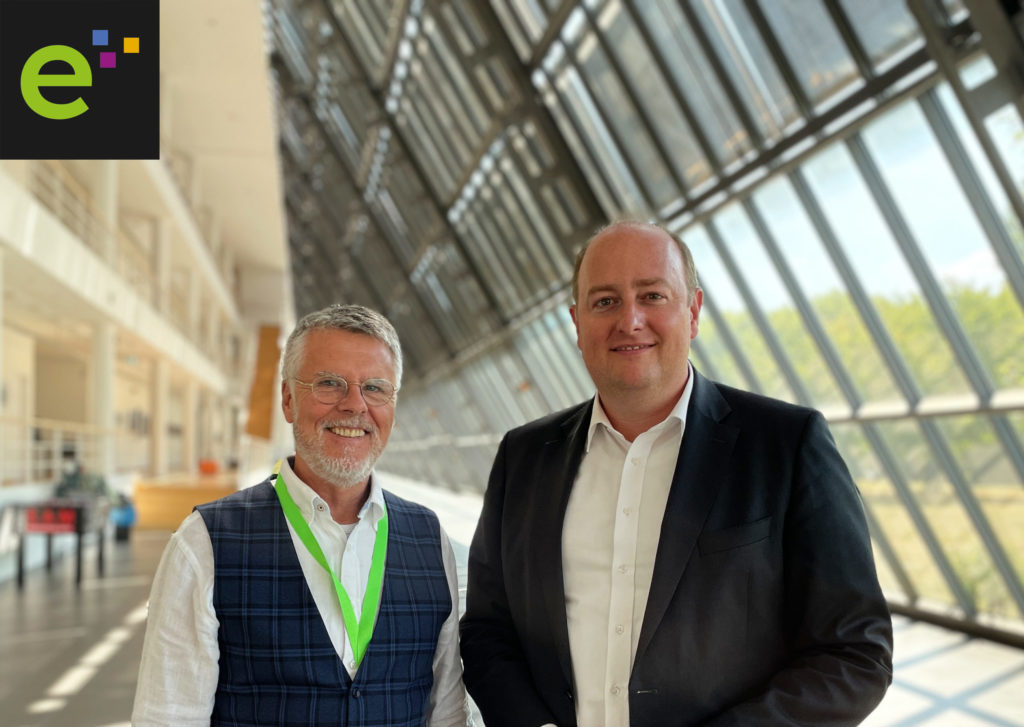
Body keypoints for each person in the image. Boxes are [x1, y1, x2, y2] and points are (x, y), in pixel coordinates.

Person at [460, 221, 893, 727]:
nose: (630, 320)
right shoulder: (525, 456)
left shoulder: (786, 445)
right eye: (605, 302)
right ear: (577, 323)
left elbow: (855, 653)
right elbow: (489, 629)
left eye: (652, 295)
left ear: (692, 312)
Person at [133, 304, 470, 727]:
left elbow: (448, 712)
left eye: (375, 388)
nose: (355, 405)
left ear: (393, 406)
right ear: (288, 399)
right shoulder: (205, 543)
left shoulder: (429, 539)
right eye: (329, 383)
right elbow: (169, 717)